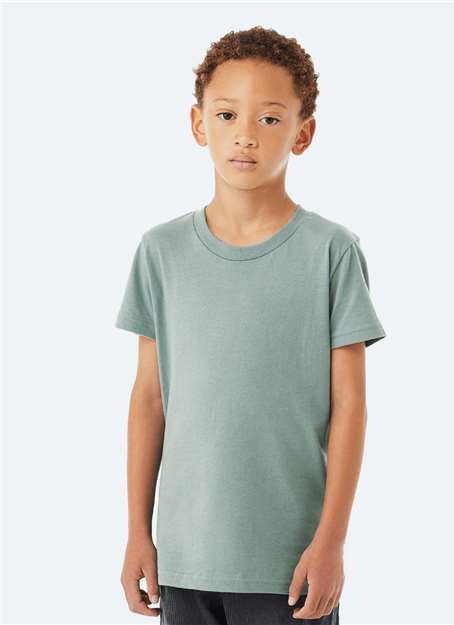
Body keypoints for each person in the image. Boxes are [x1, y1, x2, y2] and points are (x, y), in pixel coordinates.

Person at [115, 25, 386, 625]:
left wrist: (332, 543)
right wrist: (137, 532)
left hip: (290, 568)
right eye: (226, 115)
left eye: (269, 118)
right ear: (198, 124)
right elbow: (149, 398)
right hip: (183, 564)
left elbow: (350, 406)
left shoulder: (331, 252)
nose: (245, 135)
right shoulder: (160, 251)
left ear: (302, 133)